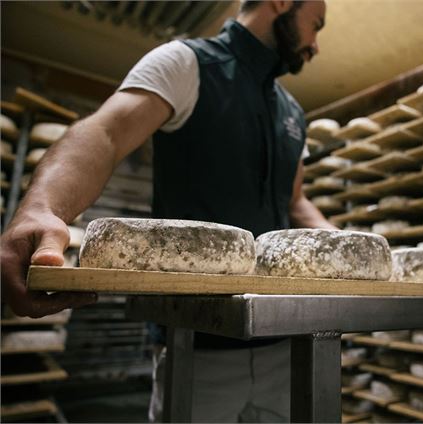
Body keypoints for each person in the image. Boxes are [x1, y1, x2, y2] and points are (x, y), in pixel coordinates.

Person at [1, 0, 333, 421]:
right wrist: (42, 208)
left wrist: (353, 248)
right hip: (197, 346)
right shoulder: (188, 63)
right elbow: (105, 134)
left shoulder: (293, 112)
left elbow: (295, 202)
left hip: (287, 340)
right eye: (316, 25)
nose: (316, 45)